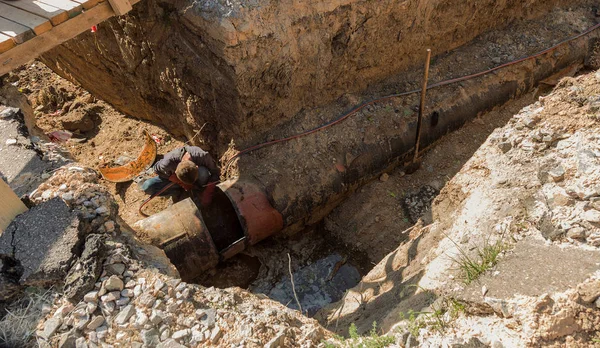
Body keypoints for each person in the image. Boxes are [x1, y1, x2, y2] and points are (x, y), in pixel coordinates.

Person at [141, 145, 220, 198]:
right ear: (175, 172)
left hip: (198, 179)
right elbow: (156, 170)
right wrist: (170, 177)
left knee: (203, 173)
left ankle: (199, 188)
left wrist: (208, 191)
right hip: (175, 180)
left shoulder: (201, 156)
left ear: (196, 166)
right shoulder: (167, 163)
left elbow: (215, 172)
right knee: (147, 187)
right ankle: (177, 193)